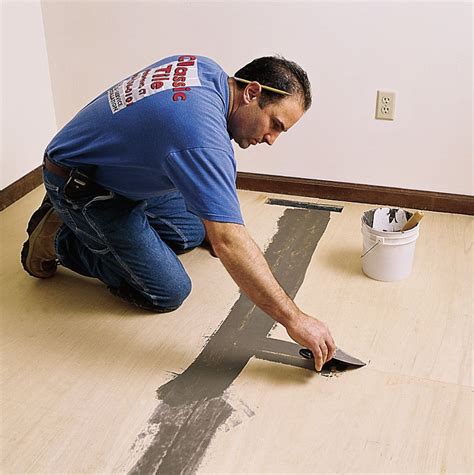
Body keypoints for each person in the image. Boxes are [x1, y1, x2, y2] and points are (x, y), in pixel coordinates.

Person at [21, 54, 336, 371]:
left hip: (117, 168)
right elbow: (228, 240)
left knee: (195, 232)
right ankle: (60, 237)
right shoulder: (200, 137)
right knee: (167, 291)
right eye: (275, 124)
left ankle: (111, 229)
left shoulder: (206, 70)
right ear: (251, 93)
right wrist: (294, 319)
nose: (271, 139)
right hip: (83, 184)